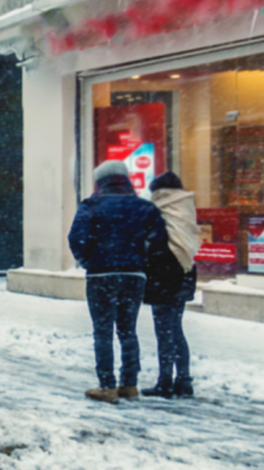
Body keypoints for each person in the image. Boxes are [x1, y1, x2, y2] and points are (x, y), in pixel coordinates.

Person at [68, 160, 169, 403]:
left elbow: (76, 238)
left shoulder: (91, 206)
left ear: (100, 181)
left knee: (103, 331)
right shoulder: (144, 207)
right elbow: (160, 241)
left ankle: (107, 385)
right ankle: (129, 384)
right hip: (134, 275)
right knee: (128, 330)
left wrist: (88, 259)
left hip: (101, 274)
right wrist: (140, 258)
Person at [144, 172, 200, 399]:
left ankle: (165, 382)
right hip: (186, 271)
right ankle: (184, 381)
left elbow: (153, 241)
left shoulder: (158, 209)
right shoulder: (185, 206)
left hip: (164, 273)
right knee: (176, 328)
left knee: (165, 331)